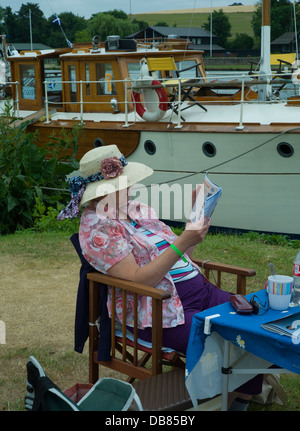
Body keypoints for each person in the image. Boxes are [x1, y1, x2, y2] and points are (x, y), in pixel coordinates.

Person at [58, 145, 263, 410]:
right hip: (158, 308)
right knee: (223, 341)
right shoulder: (97, 226)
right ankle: (228, 401)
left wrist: (194, 220)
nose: (130, 188)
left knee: (255, 325)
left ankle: (237, 399)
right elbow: (138, 281)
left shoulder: (137, 209)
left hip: (200, 291)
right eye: (123, 184)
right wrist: (182, 241)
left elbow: (181, 253)